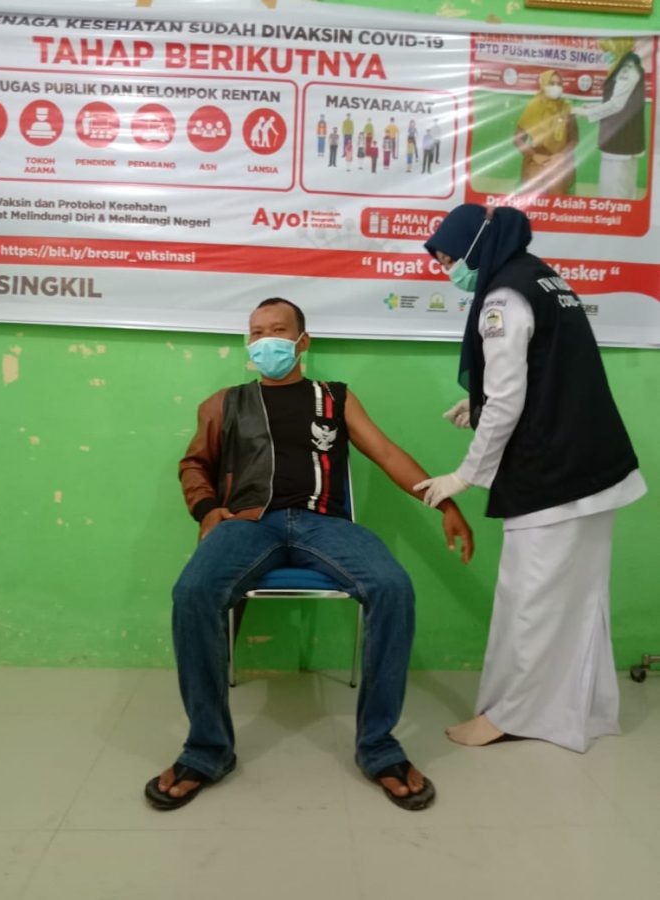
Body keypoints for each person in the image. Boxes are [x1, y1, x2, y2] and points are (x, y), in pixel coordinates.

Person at [144, 298, 474, 812]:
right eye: (257, 332)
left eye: (278, 330)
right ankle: (207, 750)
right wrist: (207, 510)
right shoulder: (224, 403)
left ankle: (379, 748)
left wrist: (444, 502)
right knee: (193, 592)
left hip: (326, 524)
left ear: (303, 341)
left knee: (392, 587)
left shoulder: (335, 398)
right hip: (249, 523)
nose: (266, 341)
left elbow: (386, 452)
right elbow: (194, 464)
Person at [419, 204, 646, 753]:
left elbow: (509, 398)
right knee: (578, 599)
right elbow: (548, 367)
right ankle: (580, 710)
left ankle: (512, 715)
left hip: (557, 475)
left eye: (448, 258)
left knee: (530, 597)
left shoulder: (502, 298)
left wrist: (464, 475)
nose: (447, 270)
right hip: (594, 466)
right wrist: (478, 404)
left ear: (475, 247)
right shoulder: (541, 276)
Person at [574, 41, 645, 200]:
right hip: (619, 136)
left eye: (608, 50)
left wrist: (587, 113)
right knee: (619, 188)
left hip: (620, 139)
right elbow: (619, 99)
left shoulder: (627, 70)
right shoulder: (623, 67)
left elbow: (616, 104)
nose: (606, 54)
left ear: (618, 46)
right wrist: (593, 106)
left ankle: (613, 215)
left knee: (614, 192)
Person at [514, 70, 578, 196]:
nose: (556, 87)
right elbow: (518, 139)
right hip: (537, 158)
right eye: (551, 83)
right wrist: (533, 156)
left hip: (560, 159)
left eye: (559, 84)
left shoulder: (567, 107)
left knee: (557, 183)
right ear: (543, 85)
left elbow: (574, 139)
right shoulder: (533, 107)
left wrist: (562, 155)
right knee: (535, 185)